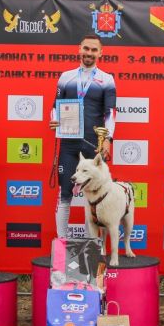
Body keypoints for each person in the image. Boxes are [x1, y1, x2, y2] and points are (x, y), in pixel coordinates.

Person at [49, 34, 116, 238]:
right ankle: (62, 242)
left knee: (96, 196)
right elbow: (55, 107)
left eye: (94, 50)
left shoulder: (107, 79)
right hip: (69, 144)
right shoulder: (66, 77)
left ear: (100, 53)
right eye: (86, 48)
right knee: (65, 194)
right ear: (79, 49)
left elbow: (110, 113)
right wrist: (54, 120)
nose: (89, 53)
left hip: (94, 145)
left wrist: (108, 139)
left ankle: (92, 245)